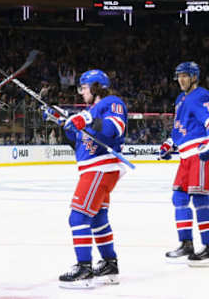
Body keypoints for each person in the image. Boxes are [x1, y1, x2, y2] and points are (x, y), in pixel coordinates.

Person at [44, 69, 128, 288]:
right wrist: (63, 123)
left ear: (96, 86)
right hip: (94, 168)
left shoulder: (112, 102)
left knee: (78, 217)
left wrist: (87, 119)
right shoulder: (91, 110)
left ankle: (84, 269)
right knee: (98, 218)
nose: (81, 92)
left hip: (100, 168)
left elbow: (114, 129)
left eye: (83, 88)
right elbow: (78, 142)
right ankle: (110, 265)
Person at [159, 62, 209, 267]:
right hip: (186, 155)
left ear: (195, 77)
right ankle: (186, 243)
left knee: (200, 198)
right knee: (179, 197)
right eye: (179, 76)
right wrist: (170, 143)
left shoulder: (202, 95)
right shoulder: (180, 99)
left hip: (200, 152)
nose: (181, 80)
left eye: (185, 76)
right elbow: (180, 128)